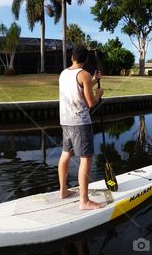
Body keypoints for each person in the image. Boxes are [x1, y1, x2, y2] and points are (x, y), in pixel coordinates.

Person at [57, 45, 106, 210]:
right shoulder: (83, 75)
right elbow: (91, 103)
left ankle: (63, 191)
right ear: (85, 60)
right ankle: (84, 201)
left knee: (66, 154)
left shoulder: (64, 73)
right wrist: (99, 94)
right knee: (86, 158)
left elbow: (78, 87)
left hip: (65, 121)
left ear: (72, 58)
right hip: (80, 122)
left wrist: (93, 80)